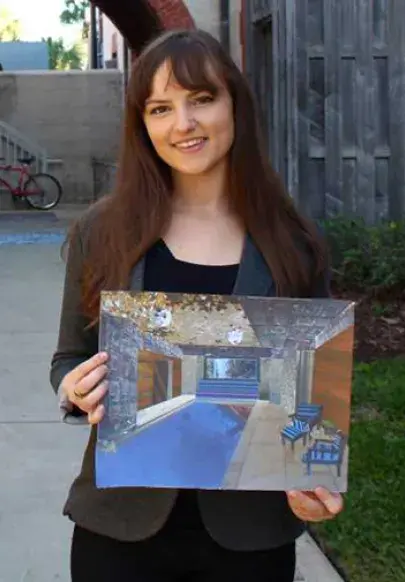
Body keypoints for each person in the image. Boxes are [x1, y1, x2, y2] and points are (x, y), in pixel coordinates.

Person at [50, 29, 343, 582]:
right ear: (143, 125)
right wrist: (73, 387)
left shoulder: (294, 241)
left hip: (249, 534)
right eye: (160, 108)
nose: (182, 124)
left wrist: (310, 480)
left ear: (235, 105)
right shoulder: (104, 231)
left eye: (201, 99)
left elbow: (312, 397)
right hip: (120, 528)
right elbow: (68, 358)